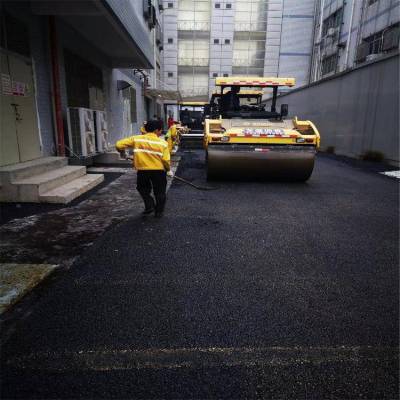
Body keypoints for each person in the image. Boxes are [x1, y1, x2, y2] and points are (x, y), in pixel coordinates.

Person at [115, 119, 172, 217]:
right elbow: (165, 160)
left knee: (142, 189)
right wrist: (168, 170)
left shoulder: (137, 139)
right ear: (156, 130)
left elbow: (118, 145)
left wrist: (122, 152)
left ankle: (149, 205)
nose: (160, 132)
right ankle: (159, 212)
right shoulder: (163, 143)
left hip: (142, 171)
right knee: (160, 191)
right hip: (159, 171)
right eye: (160, 130)